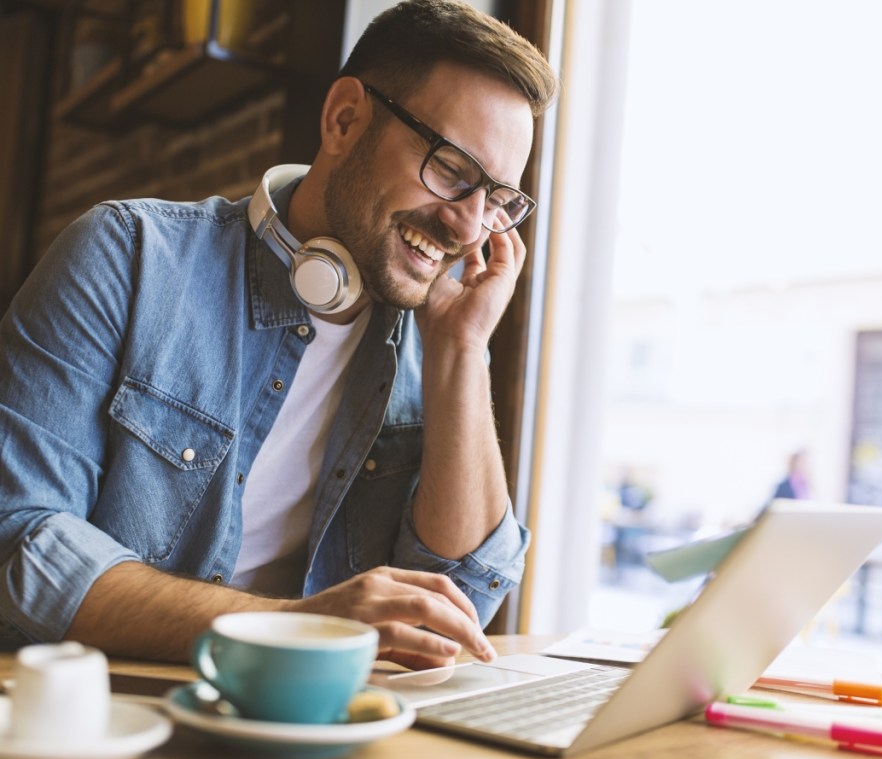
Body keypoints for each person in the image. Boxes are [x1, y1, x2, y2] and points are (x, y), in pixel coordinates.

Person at [0, 0, 558, 670]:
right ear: (345, 120)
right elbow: (20, 542)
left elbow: (459, 606)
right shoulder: (128, 255)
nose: (470, 228)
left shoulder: (435, 340)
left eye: (498, 198)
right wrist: (297, 625)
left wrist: (462, 351)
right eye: (451, 169)